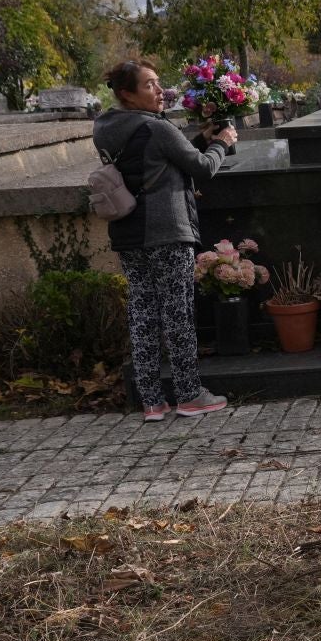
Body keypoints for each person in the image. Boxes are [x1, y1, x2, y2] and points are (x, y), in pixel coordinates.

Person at [94, 59, 235, 420]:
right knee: (177, 314)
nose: (160, 91)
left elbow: (154, 160)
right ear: (127, 93)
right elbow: (202, 168)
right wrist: (221, 142)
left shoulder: (106, 127)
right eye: (149, 85)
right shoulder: (156, 127)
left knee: (142, 313)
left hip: (129, 231)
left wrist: (199, 139)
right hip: (167, 231)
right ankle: (189, 394)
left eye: (158, 83)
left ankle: (152, 400)